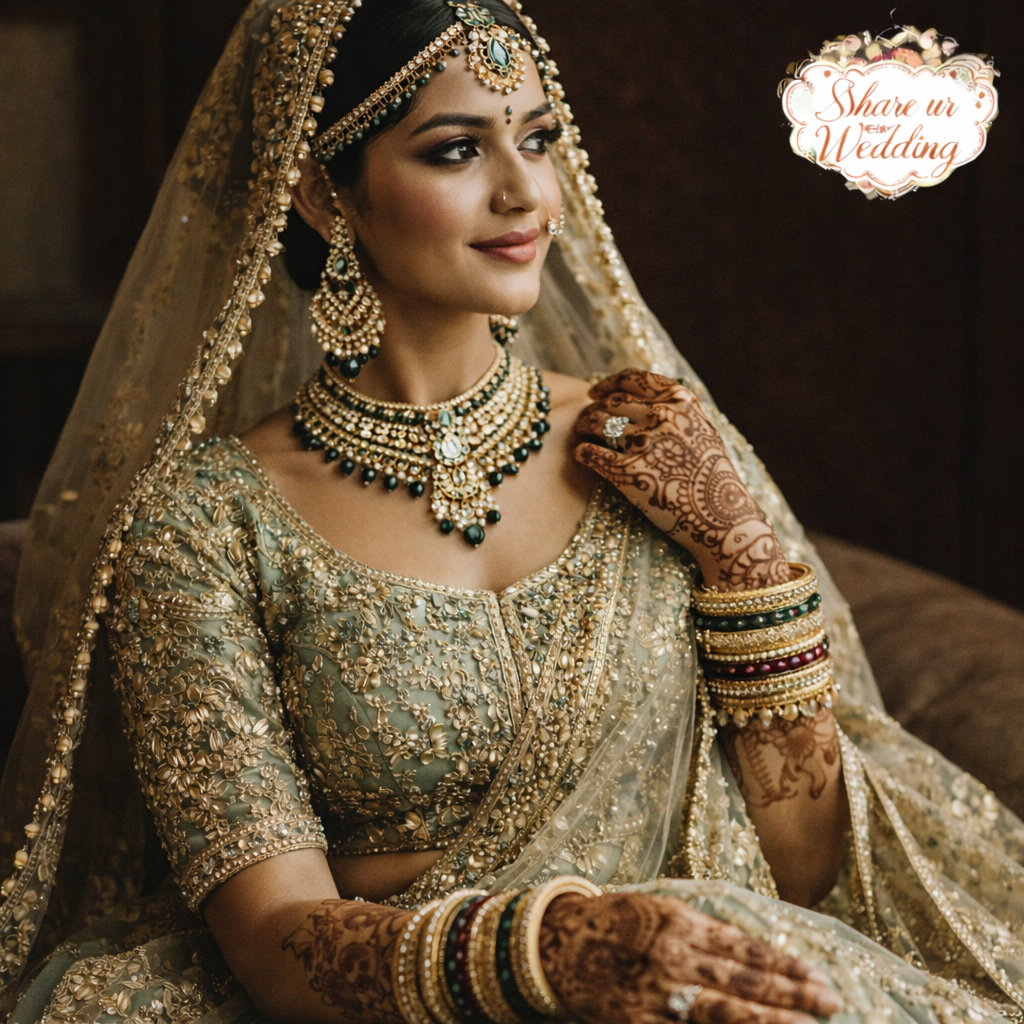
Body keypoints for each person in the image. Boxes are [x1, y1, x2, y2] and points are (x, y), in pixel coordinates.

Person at [2, 2, 1023, 1022]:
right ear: (322, 193)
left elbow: (804, 867)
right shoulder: (203, 525)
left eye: (539, 138)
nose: (527, 192)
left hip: (700, 975)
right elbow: (274, 937)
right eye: (455, 150)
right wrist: (551, 950)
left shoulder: (650, 441)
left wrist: (739, 554)